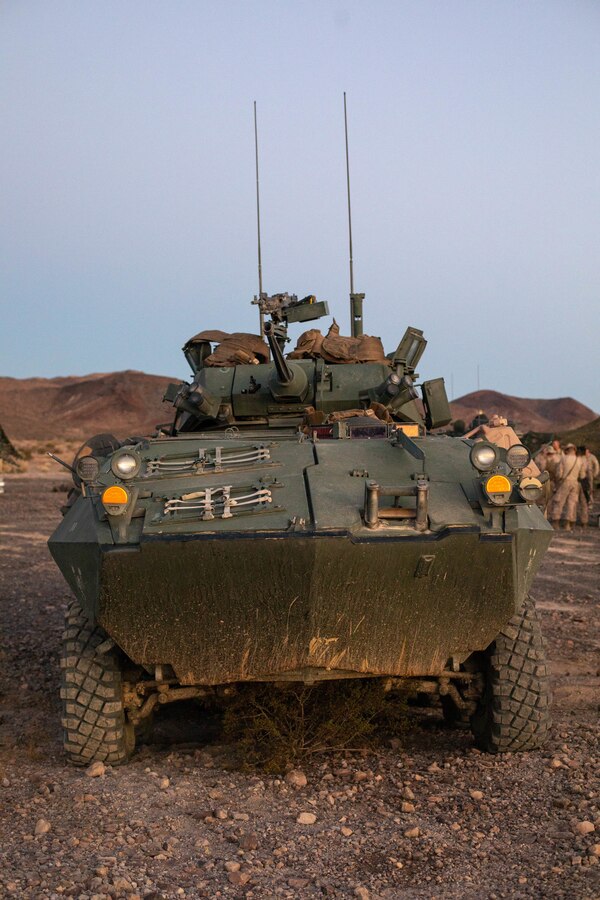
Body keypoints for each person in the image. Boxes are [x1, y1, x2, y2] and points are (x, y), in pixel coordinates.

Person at [547, 443, 584, 531]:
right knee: (572, 503)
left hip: (565, 482)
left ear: (567, 450)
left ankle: (556, 522)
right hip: (575, 483)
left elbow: (559, 473)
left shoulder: (564, 458)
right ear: (574, 450)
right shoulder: (579, 460)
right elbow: (582, 475)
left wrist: (558, 479)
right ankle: (568, 524)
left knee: (559, 501)